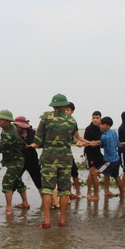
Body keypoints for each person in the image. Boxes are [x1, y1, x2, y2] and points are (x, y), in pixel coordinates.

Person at [31, 93, 86, 228]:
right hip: (66, 158)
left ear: (53, 106)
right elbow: (74, 138)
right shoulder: (72, 121)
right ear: (65, 106)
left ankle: (47, 221)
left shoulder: (45, 119)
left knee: (48, 189)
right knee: (64, 190)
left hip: (49, 158)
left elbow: (38, 141)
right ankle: (62, 220)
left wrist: (37, 144)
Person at [0, 110, 29, 215]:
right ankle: (25, 203)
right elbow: (23, 144)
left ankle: (8, 209)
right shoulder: (9, 128)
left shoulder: (9, 133)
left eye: (1, 119)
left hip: (15, 161)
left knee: (7, 183)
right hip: (16, 160)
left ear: (7, 121)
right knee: (18, 182)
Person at [92, 117, 125, 197]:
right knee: (115, 176)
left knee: (94, 173)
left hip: (109, 161)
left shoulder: (104, 136)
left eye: (103, 125)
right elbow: (118, 144)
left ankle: (96, 195)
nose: (101, 126)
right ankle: (121, 194)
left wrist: (95, 143)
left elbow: (102, 145)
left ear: (108, 125)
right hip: (116, 159)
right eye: (100, 124)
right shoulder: (114, 132)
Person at [13, 116, 41, 208]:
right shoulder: (14, 134)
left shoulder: (33, 133)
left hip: (33, 161)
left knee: (39, 182)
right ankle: (23, 203)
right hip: (19, 161)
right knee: (14, 182)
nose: (18, 128)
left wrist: (36, 145)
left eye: (19, 126)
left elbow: (41, 143)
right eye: (17, 126)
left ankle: (46, 203)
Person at [83, 110, 103, 199]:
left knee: (99, 171)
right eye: (93, 118)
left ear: (100, 119)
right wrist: (91, 143)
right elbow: (85, 141)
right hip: (89, 152)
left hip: (98, 152)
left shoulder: (101, 128)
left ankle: (102, 190)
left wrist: (98, 143)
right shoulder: (88, 128)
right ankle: (89, 192)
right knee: (91, 171)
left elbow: (103, 141)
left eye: (97, 118)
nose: (95, 120)